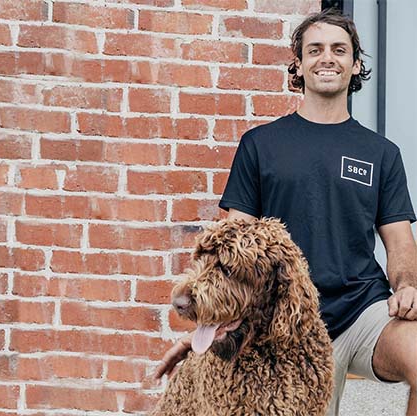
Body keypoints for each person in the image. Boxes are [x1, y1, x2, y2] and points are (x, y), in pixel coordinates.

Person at [153, 8, 417, 416]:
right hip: (284, 324)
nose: (326, 57)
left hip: (362, 310)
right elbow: (230, 247)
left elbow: (399, 243)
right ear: (298, 64)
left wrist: (406, 287)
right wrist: (209, 325)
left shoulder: (381, 154)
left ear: (356, 63)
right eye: (314, 49)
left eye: (338, 49)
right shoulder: (261, 145)